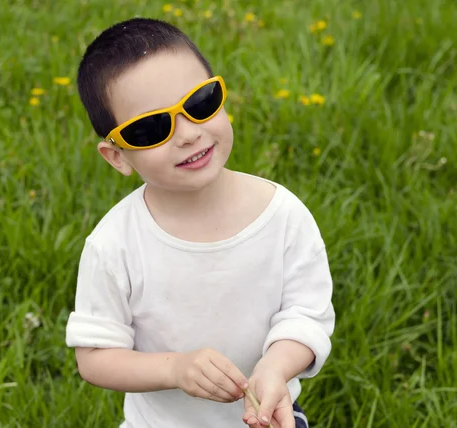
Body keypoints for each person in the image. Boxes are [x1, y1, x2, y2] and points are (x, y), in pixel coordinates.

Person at [65, 17, 335, 428]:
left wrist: (277, 367)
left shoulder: (282, 216)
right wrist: (174, 369)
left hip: (267, 415)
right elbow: (95, 356)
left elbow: (307, 316)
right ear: (117, 156)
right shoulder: (114, 244)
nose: (188, 134)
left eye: (200, 102)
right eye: (152, 128)